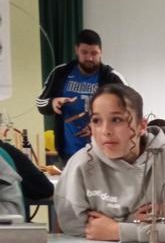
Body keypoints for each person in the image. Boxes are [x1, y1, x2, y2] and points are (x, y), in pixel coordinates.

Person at [54, 84, 165, 243]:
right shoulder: (81, 165)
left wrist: (118, 230)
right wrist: (141, 223)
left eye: (116, 120)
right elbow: (76, 230)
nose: (105, 130)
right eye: (97, 120)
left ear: (142, 126)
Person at [36, 29, 125, 163]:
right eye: (84, 52)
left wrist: (99, 126)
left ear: (101, 52)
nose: (89, 58)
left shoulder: (112, 78)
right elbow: (40, 103)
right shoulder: (60, 73)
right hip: (68, 154)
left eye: (94, 53)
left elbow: (129, 112)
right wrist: (52, 103)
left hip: (104, 155)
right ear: (76, 50)